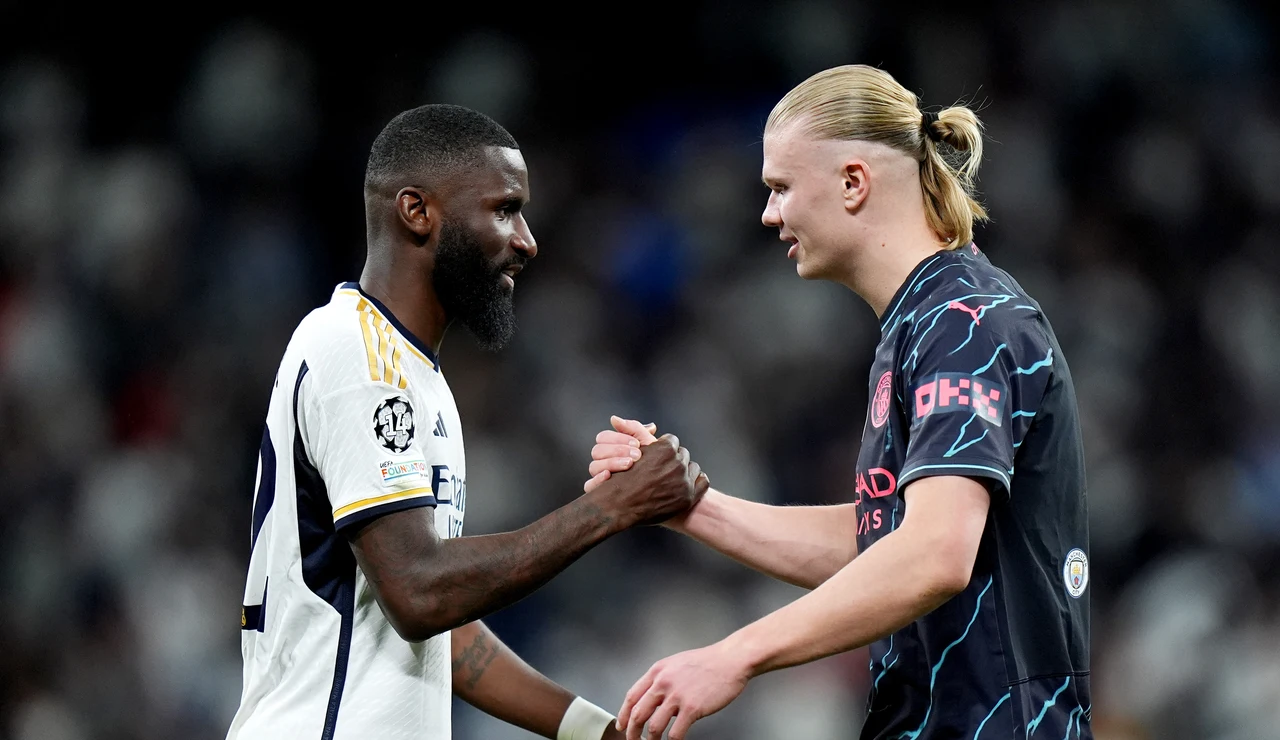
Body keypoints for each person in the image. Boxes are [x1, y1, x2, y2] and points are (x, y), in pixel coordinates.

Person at [587, 65, 1091, 740]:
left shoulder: (965, 319)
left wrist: (736, 654)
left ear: (854, 182)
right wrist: (688, 506)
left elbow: (936, 553)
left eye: (780, 188)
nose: (768, 213)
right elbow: (887, 540)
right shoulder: (922, 322)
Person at [226, 104, 707, 740]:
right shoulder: (356, 353)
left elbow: (442, 631)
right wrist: (612, 509)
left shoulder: (414, 374)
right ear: (417, 211)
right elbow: (419, 592)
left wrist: (594, 730)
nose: (527, 239)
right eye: (504, 209)